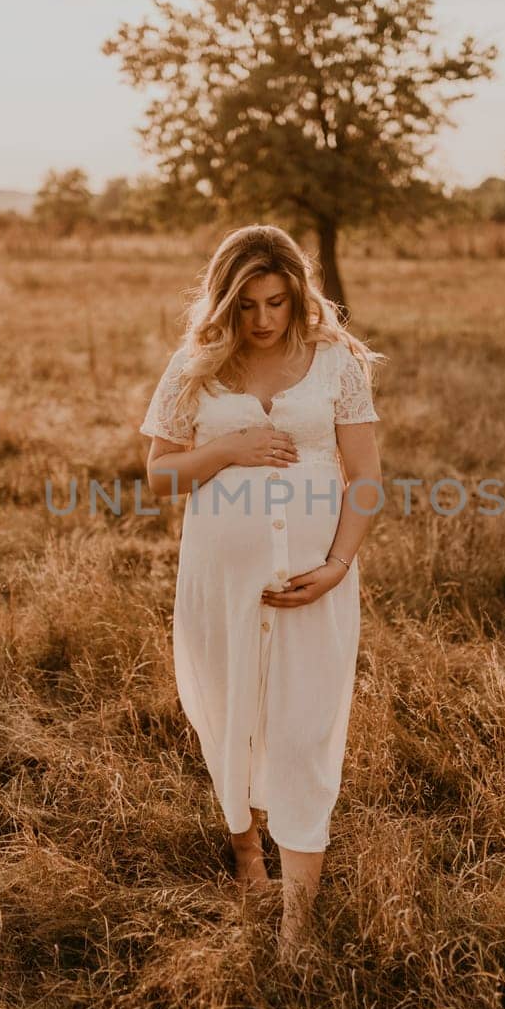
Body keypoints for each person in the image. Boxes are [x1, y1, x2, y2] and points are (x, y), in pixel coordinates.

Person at [138, 223, 384, 964]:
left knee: (305, 733)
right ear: (225, 300)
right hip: (221, 578)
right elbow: (159, 473)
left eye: (277, 301)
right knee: (228, 716)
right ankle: (246, 844)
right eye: (246, 305)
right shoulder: (195, 368)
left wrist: (339, 564)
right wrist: (227, 450)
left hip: (314, 581)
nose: (264, 319)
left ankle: (295, 929)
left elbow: (367, 479)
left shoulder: (336, 363)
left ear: (298, 294)